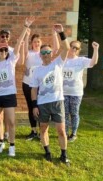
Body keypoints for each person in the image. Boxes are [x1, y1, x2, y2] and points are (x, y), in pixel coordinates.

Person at [0, 17, 34, 156]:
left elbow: (19, 43)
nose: (3, 52)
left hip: (8, 95)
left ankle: (12, 146)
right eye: (0, 51)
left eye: (5, 51)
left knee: (11, 121)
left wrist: (25, 27)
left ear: (7, 52)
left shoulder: (11, 61)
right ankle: (1, 142)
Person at [31, 24, 71, 165]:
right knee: (43, 128)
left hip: (57, 101)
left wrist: (61, 33)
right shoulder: (37, 71)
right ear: (40, 55)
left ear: (51, 53)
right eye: (44, 53)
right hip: (42, 103)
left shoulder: (58, 63)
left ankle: (64, 154)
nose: (46, 55)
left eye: (48, 52)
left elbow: (66, 48)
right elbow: (34, 89)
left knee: (61, 130)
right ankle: (47, 152)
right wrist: (34, 106)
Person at [23, 29, 59, 140]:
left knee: (41, 107)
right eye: (34, 41)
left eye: (38, 41)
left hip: (42, 86)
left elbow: (56, 49)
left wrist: (54, 34)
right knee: (31, 107)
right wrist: (26, 35)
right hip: (28, 84)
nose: (36, 43)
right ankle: (33, 130)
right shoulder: (28, 53)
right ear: (31, 43)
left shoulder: (44, 53)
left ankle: (41, 131)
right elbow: (23, 49)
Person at [63, 41, 99, 142]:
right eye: (72, 47)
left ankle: (73, 133)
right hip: (63, 92)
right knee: (65, 113)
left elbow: (93, 62)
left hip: (76, 92)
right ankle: (65, 133)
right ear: (69, 47)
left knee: (74, 113)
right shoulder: (63, 59)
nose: (74, 49)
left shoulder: (81, 60)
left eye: (77, 48)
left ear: (78, 50)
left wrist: (96, 49)